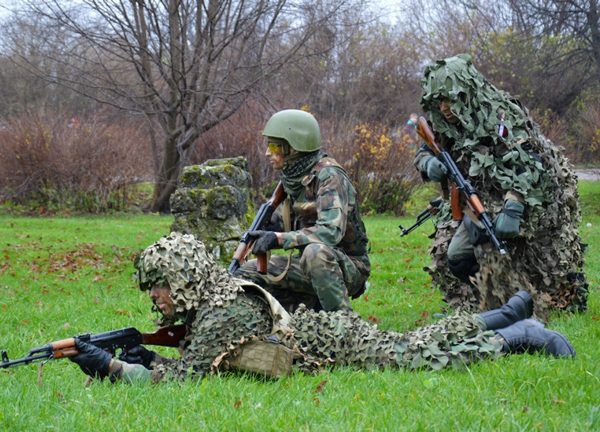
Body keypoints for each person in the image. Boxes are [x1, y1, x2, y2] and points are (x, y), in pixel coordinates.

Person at [68, 233, 574, 383]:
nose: (155, 298)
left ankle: (521, 333)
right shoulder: (213, 304)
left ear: (183, 281)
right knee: (415, 343)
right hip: (320, 336)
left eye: (159, 286)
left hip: (332, 343)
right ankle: (509, 313)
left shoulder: (222, 312)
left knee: (418, 355)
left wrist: (114, 368)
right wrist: (148, 357)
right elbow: (195, 361)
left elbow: (187, 381)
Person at [413, 54, 588, 314]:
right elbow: (425, 150)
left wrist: (514, 204)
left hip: (530, 195)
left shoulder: (501, 115)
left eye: (449, 99)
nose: (444, 108)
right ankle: (488, 303)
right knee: (455, 257)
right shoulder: (441, 123)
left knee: (537, 257)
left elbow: (531, 162)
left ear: (466, 92)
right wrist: (429, 163)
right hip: (473, 197)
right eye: (438, 101)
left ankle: (534, 300)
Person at [234, 109, 370, 312]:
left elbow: (330, 232)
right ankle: (285, 322)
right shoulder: (293, 178)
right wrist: (270, 228)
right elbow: (298, 219)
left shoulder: (329, 176)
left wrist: (278, 239)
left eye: (274, 146)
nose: (267, 153)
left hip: (348, 265)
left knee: (314, 253)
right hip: (308, 262)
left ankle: (343, 324)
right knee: (247, 273)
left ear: (294, 148)